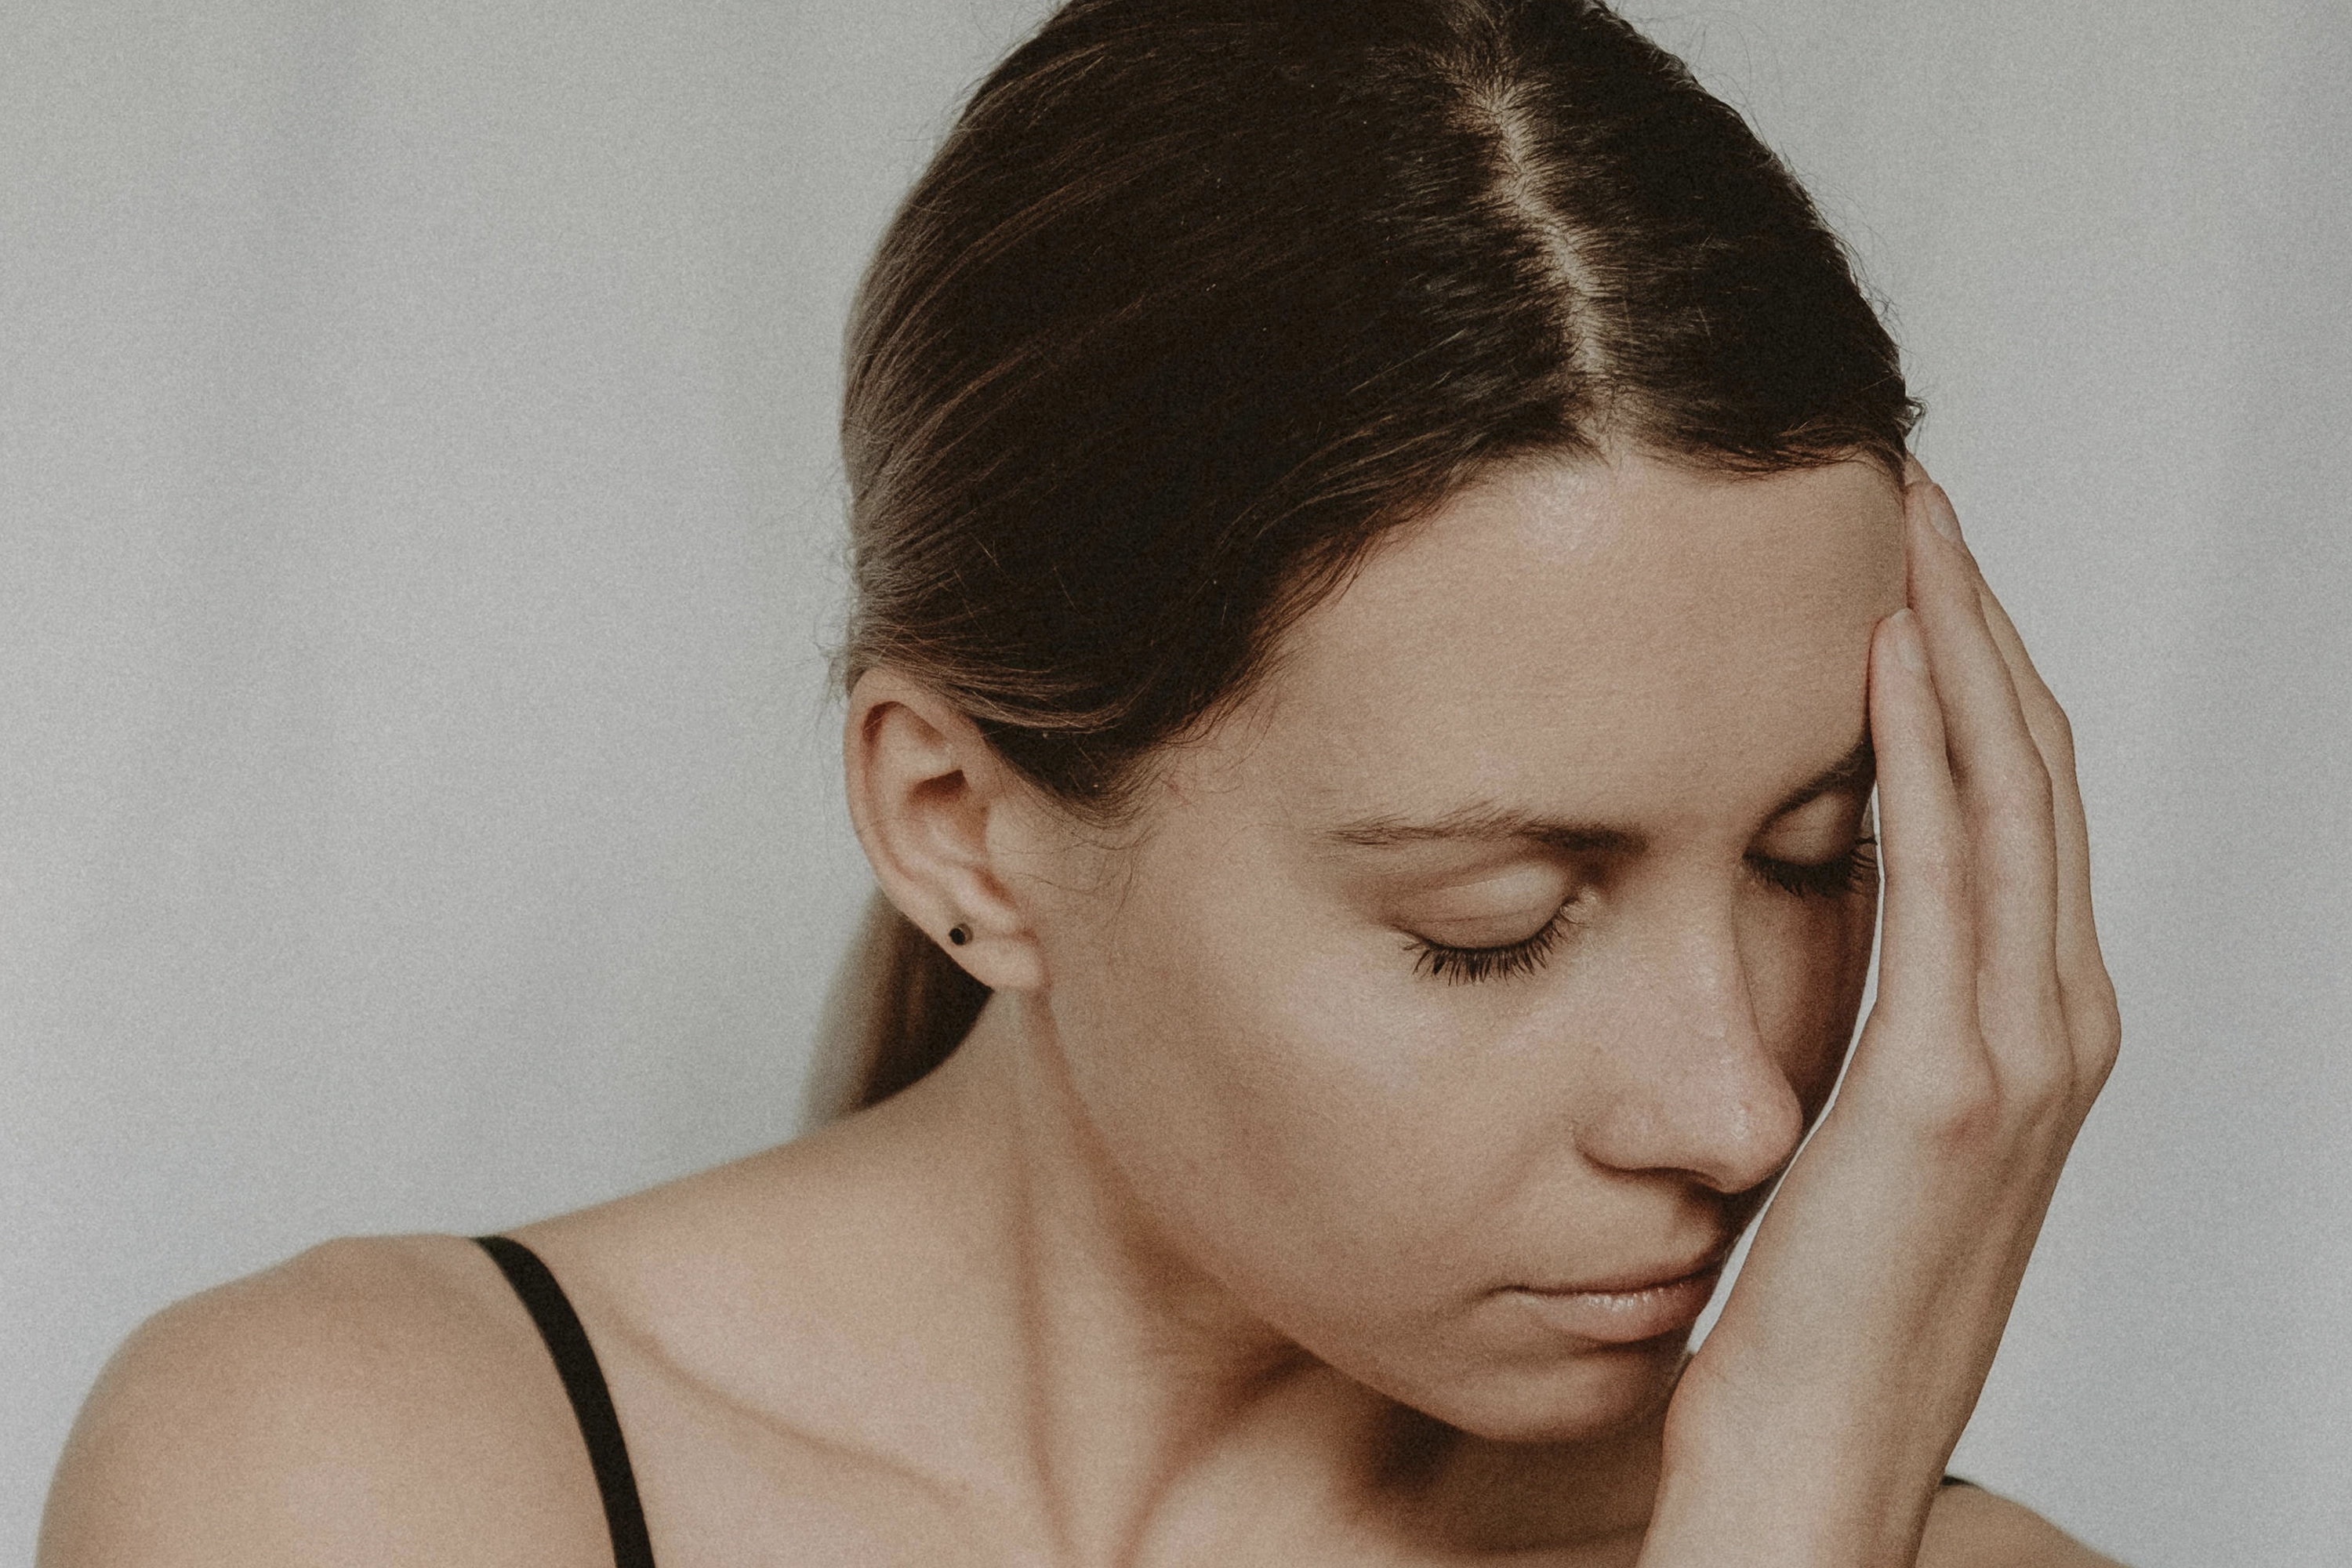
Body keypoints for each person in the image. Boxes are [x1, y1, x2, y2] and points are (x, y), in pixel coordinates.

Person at [38, 1, 2125, 1563]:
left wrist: (1782, 1518)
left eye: (1814, 856)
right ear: (960, 826)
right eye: (1491, 925)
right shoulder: (362, 1476)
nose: (1745, 1106)